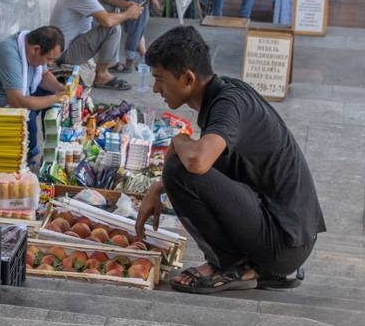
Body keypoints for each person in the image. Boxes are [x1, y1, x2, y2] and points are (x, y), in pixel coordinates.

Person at [135, 26, 324, 294]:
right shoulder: (223, 94)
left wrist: (178, 140)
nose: (155, 88)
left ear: (188, 78)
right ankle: (243, 263)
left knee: (182, 169)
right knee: (181, 165)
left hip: (283, 243)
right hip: (286, 235)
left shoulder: (228, 104)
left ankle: (228, 265)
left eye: (160, 79)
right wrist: (158, 186)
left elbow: (198, 163)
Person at [0, 26, 68, 163]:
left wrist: (60, 89)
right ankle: (26, 158)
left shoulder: (29, 45)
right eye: (49, 59)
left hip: (11, 103)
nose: (50, 63)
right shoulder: (8, 54)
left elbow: (44, 75)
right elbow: (18, 103)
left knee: (49, 94)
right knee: (27, 118)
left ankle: (48, 152)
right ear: (36, 49)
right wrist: (55, 98)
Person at [50, 0, 144, 91]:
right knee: (112, 27)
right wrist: (129, 14)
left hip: (71, 44)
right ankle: (102, 75)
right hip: (65, 53)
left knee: (113, 10)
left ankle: (104, 66)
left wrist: (125, 4)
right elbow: (107, 22)